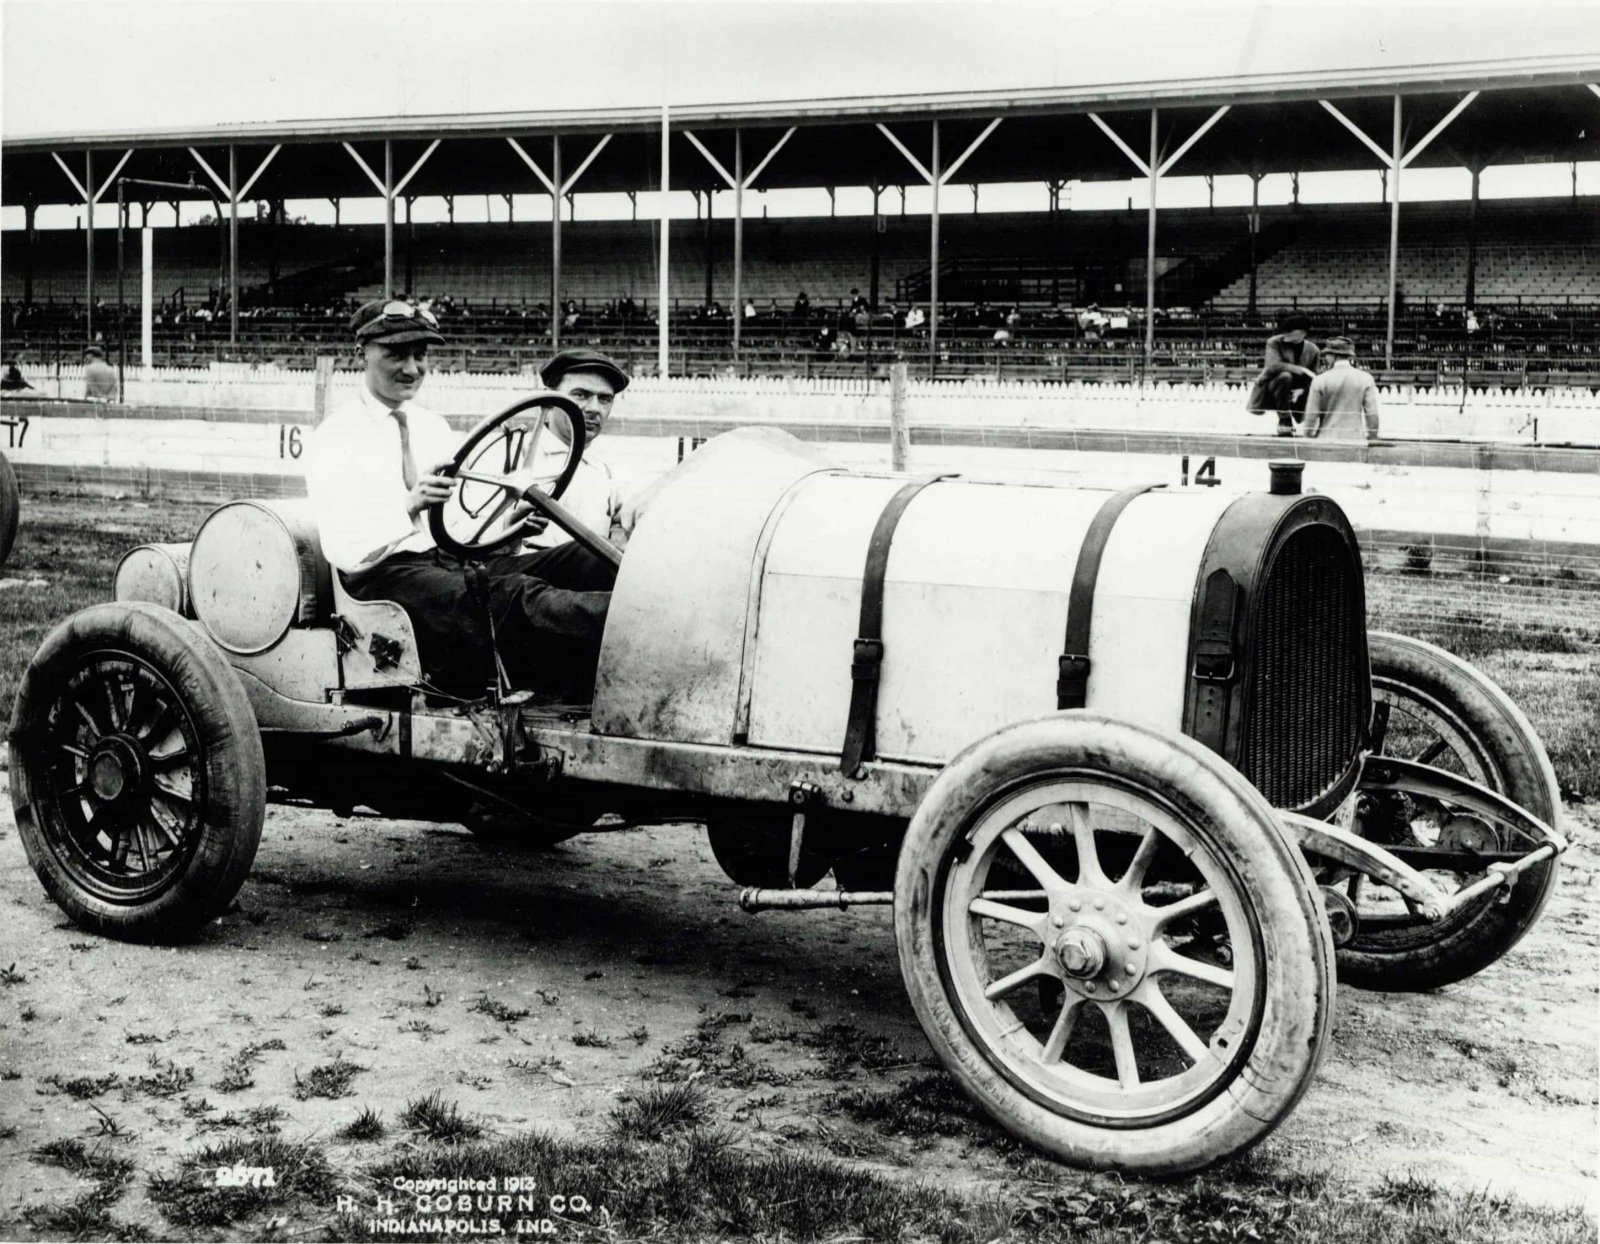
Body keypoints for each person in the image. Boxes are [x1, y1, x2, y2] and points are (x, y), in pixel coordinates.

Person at [304, 300, 617, 698]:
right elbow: (343, 549)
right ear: (361, 354)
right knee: (515, 594)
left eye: (420, 356)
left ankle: (638, 619)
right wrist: (408, 506)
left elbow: (455, 526)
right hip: (383, 578)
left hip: (447, 564)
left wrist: (508, 525)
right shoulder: (335, 437)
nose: (411, 369)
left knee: (586, 557)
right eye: (396, 355)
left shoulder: (432, 426)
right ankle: (641, 620)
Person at [521, 348, 632, 552]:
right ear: (550, 400)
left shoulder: (607, 473)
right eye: (581, 395)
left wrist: (619, 532)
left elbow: (625, 521)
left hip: (589, 576)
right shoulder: (514, 456)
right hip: (520, 575)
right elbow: (466, 534)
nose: (594, 409)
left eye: (605, 399)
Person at [1304, 337, 1380, 442]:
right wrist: (1372, 435)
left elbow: (1311, 416)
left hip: (1325, 439)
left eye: (1327, 355)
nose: (1326, 359)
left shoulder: (1319, 380)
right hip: (1356, 440)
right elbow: (1372, 414)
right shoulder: (1366, 379)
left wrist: (1308, 436)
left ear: (1332, 356)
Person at [1262, 314, 1320, 436]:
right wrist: (1301, 370)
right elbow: (1273, 366)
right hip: (1274, 385)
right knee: (1285, 376)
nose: (1285, 335)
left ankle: (1303, 421)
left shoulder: (1313, 350)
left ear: (1302, 333)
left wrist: (1302, 391)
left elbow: (1314, 376)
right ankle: (1285, 419)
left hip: (1298, 389)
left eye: (1290, 332)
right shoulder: (1274, 342)